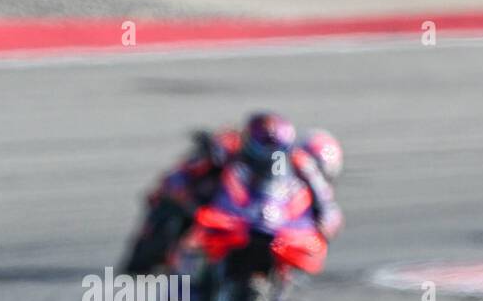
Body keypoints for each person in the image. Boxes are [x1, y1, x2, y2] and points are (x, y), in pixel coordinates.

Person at [125, 113, 342, 273]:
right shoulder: (227, 146)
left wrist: (326, 222)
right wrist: (182, 193)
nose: (265, 154)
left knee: (302, 260)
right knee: (169, 210)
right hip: (221, 210)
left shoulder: (299, 161)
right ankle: (152, 258)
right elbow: (179, 177)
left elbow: (325, 200)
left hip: (269, 221)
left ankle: (280, 292)